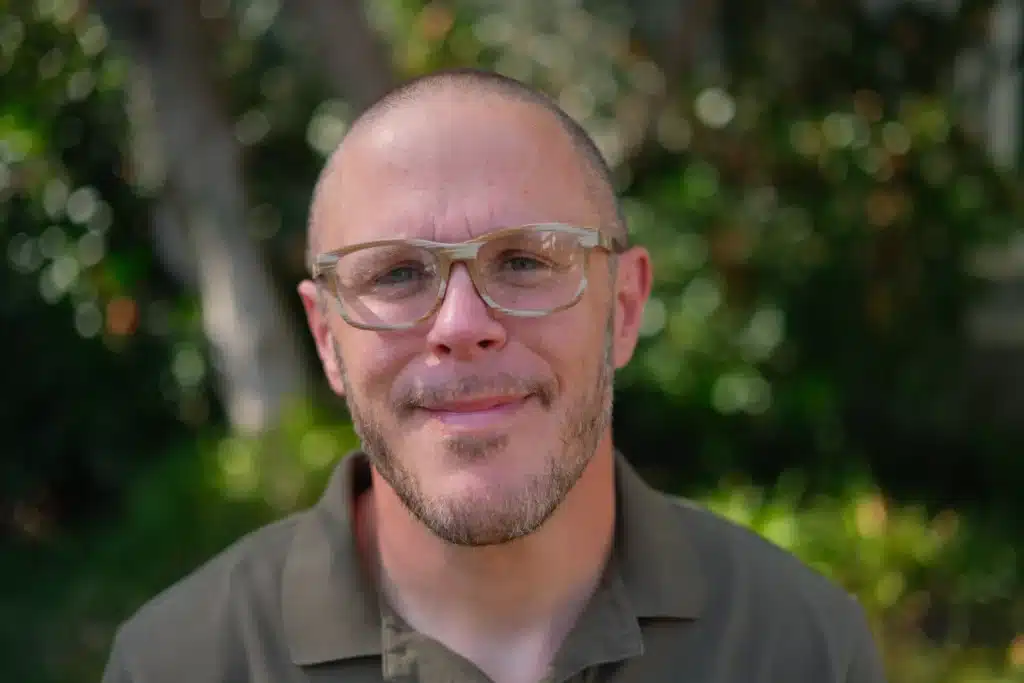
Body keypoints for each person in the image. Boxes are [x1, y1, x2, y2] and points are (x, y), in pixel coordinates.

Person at [101, 68, 887, 683]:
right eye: (398, 275)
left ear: (624, 306)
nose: (461, 325)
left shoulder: (800, 645)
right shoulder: (182, 662)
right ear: (327, 339)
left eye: (523, 261)